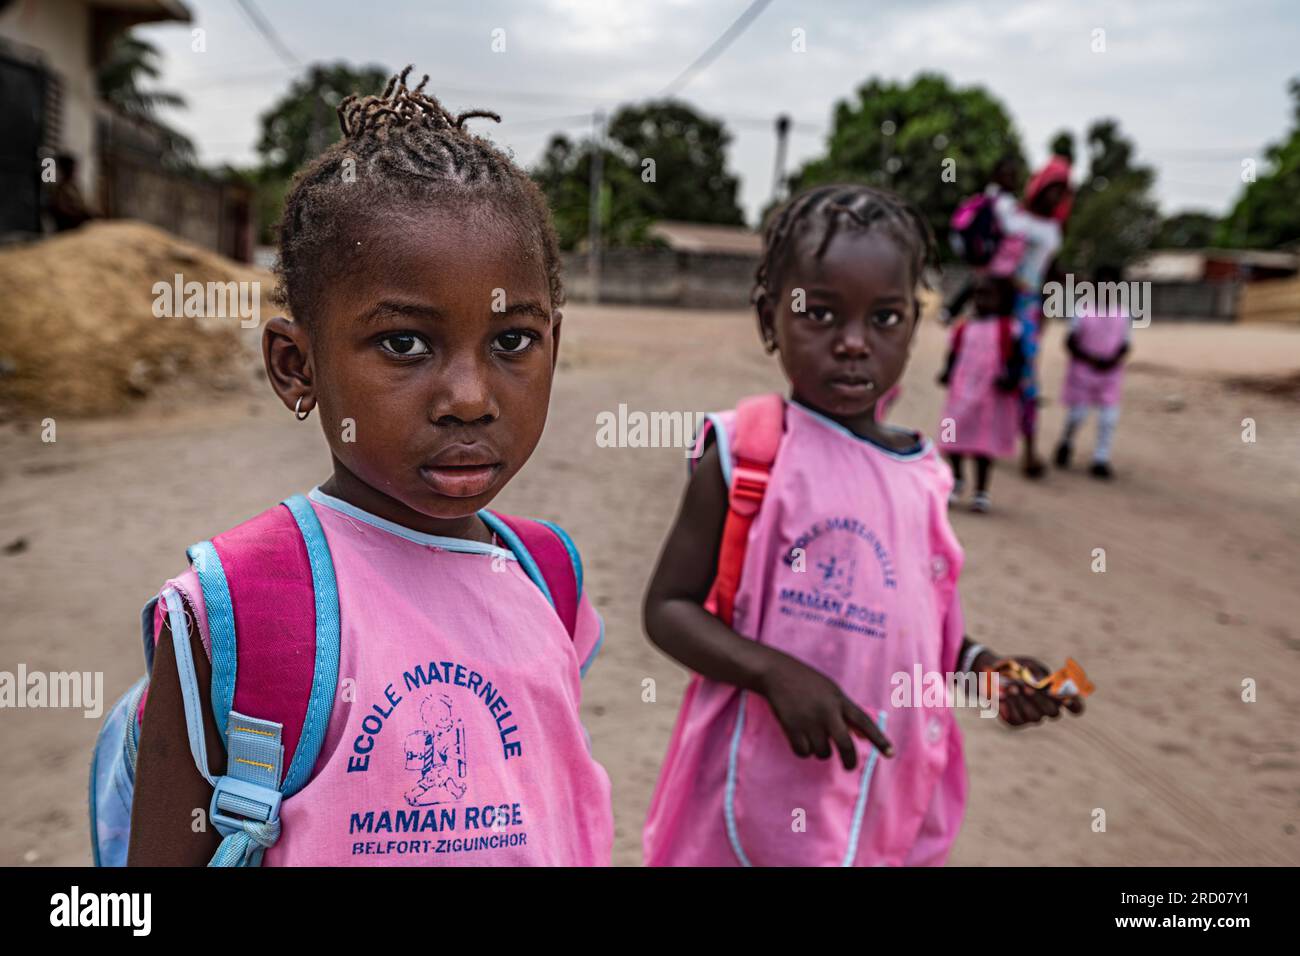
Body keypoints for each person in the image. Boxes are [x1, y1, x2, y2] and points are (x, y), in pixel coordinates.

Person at [126, 69, 613, 866]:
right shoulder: (240, 607)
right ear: (297, 366)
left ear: (554, 343)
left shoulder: (548, 575)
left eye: (512, 341)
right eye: (404, 344)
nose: (468, 397)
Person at [641, 184, 1084, 868]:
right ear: (769, 319)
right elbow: (667, 609)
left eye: (885, 318)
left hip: (883, 796)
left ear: (914, 325)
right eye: (819, 313)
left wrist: (984, 671)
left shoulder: (926, 474)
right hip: (751, 794)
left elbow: (923, 627)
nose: (853, 343)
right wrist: (772, 672)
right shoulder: (746, 453)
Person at [1002, 156, 1072, 478]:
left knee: (1026, 377)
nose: (1055, 197)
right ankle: (968, 442)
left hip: (1029, 306)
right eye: (1052, 189)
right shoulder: (1014, 218)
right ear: (1039, 188)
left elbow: (1049, 271)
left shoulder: (1053, 229)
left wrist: (1052, 306)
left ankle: (1029, 450)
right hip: (998, 303)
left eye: (1062, 192)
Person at [937, 274, 1023, 512]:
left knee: (983, 444)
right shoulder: (964, 328)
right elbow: (953, 355)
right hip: (960, 392)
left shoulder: (1009, 328)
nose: (981, 300)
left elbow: (1017, 360)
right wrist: (946, 372)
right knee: (950, 434)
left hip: (989, 397)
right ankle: (956, 478)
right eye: (977, 294)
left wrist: (1011, 378)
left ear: (1003, 299)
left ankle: (981, 491)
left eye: (987, 295)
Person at [1055, 265, 1132, 479]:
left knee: (1109, 418)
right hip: (1083, 372)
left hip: (1109, 374)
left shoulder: (1123, 314)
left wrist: (1112, 360)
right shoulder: (1082, 310)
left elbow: (1125, 343)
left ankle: (1101, 458)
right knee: (1077, 415)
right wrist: (1090, 359)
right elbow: (1070, 341)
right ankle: (1067, 441)